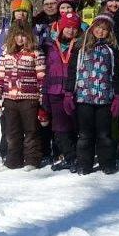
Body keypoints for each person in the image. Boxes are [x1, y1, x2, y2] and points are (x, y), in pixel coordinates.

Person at [63, 14, 119, 175]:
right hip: (83, 98)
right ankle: (84, 164)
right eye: (98, 27)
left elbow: (117, 74)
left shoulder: (112, 50)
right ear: (92, 28)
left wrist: (118, 95)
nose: (100, 31)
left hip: (105, 99)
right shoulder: (80, 46)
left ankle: (107, 163)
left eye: (105, 29)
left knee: (104, 134)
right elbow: (71, 72)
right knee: (84, 134)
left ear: (109, 32)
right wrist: (68, 93)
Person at [0, 24, 46, 171]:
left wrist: (43, 104)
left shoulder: (36, 53)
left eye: (24, 35)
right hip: (10, 99)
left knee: (31, 130)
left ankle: (32, 160)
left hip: (30, 99)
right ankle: (13, 160)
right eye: (17, 35)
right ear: (12, 36)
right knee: (12, 132)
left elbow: (42, 79)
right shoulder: (6, 53)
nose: (20, 39)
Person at [43, 11, 81, 172]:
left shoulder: (80, 45)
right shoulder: (49, 45)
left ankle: (75, 157)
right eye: (67, 27)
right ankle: (70, 157)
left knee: (74, 126)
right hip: (54, 90)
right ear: (61, 27)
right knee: (59, 127)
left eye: (74, 28)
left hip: (74, 91)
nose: (70, 31)